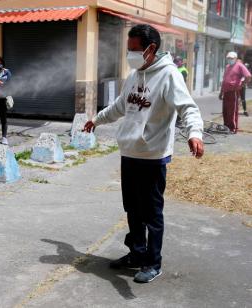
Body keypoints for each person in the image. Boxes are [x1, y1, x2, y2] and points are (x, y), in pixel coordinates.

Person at [84, 24, 204, 283]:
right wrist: (96, 119)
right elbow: (119, 106)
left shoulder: (169, 75)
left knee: (151, 213)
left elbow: (187, 107)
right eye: (128, 50)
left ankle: (153, 262)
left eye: (134, 50)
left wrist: (195, 133)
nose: (130, 55)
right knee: (133, 210)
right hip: (129, 153)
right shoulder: (135, 74)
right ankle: (137, 254)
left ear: (151, 49)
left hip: (153, 155)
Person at [219, 52, 251, 133]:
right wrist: (221, 92)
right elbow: (224, 80)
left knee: (232, 110)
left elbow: (248, 76)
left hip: (233, 92)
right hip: (226, 92)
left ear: (235, 59)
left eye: (232, 58)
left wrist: (242, 85)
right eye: (228, 58)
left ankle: (233, 128)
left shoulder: (239, 65)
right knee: (225, 110)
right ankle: (226, 126)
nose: (230, 60)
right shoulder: (227, 67)